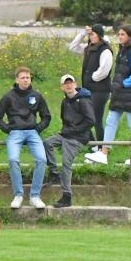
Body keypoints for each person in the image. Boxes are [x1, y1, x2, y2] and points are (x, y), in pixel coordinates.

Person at [0, 67, 51, 209]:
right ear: (17, 80)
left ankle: (35, 196)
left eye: (28, 77)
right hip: (15, 132)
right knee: (13, 159)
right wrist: (8, 129)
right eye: (23, 77)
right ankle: (18, 195)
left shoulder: (37, 96)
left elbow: (46, 116)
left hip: (32, 132)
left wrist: (38, 128)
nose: (26, 80)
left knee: (42, 159)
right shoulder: (8, 97)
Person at [85, 24, 131, 165]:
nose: (120, 37)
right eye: (119, 34)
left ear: (130, 35)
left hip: (130, 94)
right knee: (110, 121)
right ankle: (103, 153)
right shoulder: (123, 49)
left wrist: (124, 84)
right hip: (119, 93)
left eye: (122, 34)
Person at [43, 74, 95, 208]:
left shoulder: (83, 100)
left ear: (75, 84)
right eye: (65, 83)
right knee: (47, 142)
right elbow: (64, 119)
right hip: (66, 134)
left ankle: (67, 196)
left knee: (66, 164)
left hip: (78, 137)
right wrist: (67, 131)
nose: (68, 85)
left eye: (70, 82)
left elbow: (91, 120)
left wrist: (76, 131)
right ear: (62, 87)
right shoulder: (64, 101)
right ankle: (54, 173)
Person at [68, 24, 113, 152]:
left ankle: (101, 148)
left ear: (99, 35)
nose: (91, 36)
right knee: (83, 117)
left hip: (101, 91)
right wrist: (83, 33)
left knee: (96, 120)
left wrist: (92, 77)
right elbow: (73, 47)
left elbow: (104, 70)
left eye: (93, 34)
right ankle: (94, 146)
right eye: (90, 34)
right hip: (89, 90)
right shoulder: (89, 48)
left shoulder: (105, 50)